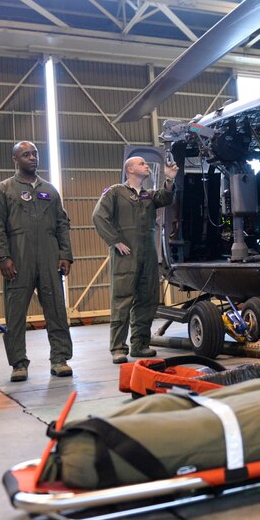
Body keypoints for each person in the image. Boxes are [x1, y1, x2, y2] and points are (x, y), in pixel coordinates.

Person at [0, 141, 74, 381]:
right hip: (18, 257)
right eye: (26, 154)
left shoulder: (50, 190)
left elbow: (61, 223)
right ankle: (18, 363)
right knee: (15, 312)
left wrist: (66, 254)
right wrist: (2, 256)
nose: (32, 157)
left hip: (49, 257)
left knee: (56, 309)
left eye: (34, 154)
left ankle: (60, 359)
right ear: (15, 159)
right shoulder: (4, 189)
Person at [92, 156, 178, 364]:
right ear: (130, 169)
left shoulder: (149, 195)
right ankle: (118, 348)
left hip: (148, 255)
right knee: (122, 301)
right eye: (141, 164)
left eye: (146, 164)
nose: (146, 165)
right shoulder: (115, 192)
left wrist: (170, 179)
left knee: (147, 300)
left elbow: (166, 197)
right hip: (126, 255)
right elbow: (98, 216)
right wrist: (115, 241)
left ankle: (140, 345)